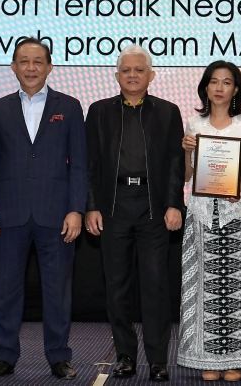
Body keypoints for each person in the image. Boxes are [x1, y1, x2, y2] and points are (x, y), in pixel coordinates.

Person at [0, 38, 88, 380]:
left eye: (38, 61)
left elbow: (79, 165)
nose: (30, 68)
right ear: (13, 67)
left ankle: (59, 357)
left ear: (50, 67)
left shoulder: (69, 107)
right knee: (7, 288)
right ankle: (5, 355)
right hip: (8, 215)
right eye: (24, 61)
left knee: (57, 291)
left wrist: (76, 210)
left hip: (56, 215)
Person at [84, 45, 185, 382]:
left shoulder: (168, 112)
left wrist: (174, 203)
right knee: (117, 287)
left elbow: (175, 162)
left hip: (153, 207)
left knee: (156, 286)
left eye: (139, 70)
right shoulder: (98, 112)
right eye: (125, 70)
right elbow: (90, 164)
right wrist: (91, 206)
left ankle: (158, 360)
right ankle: (125, 356)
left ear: (151, 75)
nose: (132, 75)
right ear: (116, 75)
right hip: (113, 207)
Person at [178, 61, 241, 382]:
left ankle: (234, 359)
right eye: (214, 82)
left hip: (239, 214)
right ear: (205, 87)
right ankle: (207, 359)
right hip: (202, 215)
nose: (219, 88)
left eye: (227, 82)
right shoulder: (193, 123)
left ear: (236, 89)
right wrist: (186, 152)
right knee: (203, 286)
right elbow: (188, 177)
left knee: (237, 288)